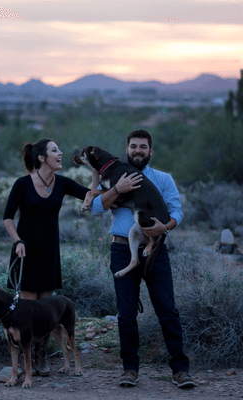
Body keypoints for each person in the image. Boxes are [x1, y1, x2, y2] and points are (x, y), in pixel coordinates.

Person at [91, 129, 195, 389]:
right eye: (134, 146)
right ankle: (130, 370)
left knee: (167, 310)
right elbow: (95, 208)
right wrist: (117, 188)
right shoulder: (116, 175)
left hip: (155, 249)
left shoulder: (162, 178)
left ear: (150, 151)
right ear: (127, 149)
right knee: (126, 314)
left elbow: (176, 212)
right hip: (121, 249)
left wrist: (166, 227)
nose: (138, 150)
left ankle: (180, 370)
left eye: (143, 147)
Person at [3, 138, 91, 376]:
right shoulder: (22, 184)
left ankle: (41, 357)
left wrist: (97, 172)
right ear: (42, 158)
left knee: (46, 311)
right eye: (55, 150)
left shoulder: (62, 183)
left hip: (50, 254)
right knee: (28, 309)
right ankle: (26, 359)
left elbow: (90, 195)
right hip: (25, 252)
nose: (60, 153)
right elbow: (8, 218)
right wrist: (17, 241)